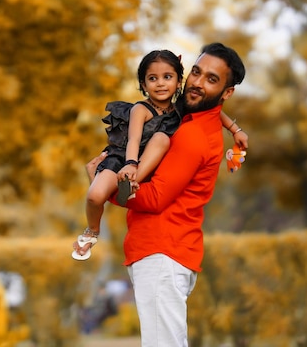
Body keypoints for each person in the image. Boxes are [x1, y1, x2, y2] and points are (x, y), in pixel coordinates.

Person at [75, 42, 247, 346]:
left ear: (226, 92)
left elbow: (154, 198)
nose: (196, 83)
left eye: (211, 79)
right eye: (196, 72)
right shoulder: (189, 117)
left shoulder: (193, 135)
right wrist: (235, 128)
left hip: (162, 252)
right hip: (163, 251)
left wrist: (105, 189)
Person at [72, 49, 248, 261]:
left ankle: (130, 183)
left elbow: (216, 109)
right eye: (153, 79)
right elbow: (134, 140)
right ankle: (92, 230)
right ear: (144, 85)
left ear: (177, 81)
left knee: (161, 139)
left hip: (143, 171)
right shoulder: (141, 109)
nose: (161, 84)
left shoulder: (180, 109)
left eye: (167, 77)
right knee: (94, 195)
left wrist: (235, 130)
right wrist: (128, 164)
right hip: (123, 158)